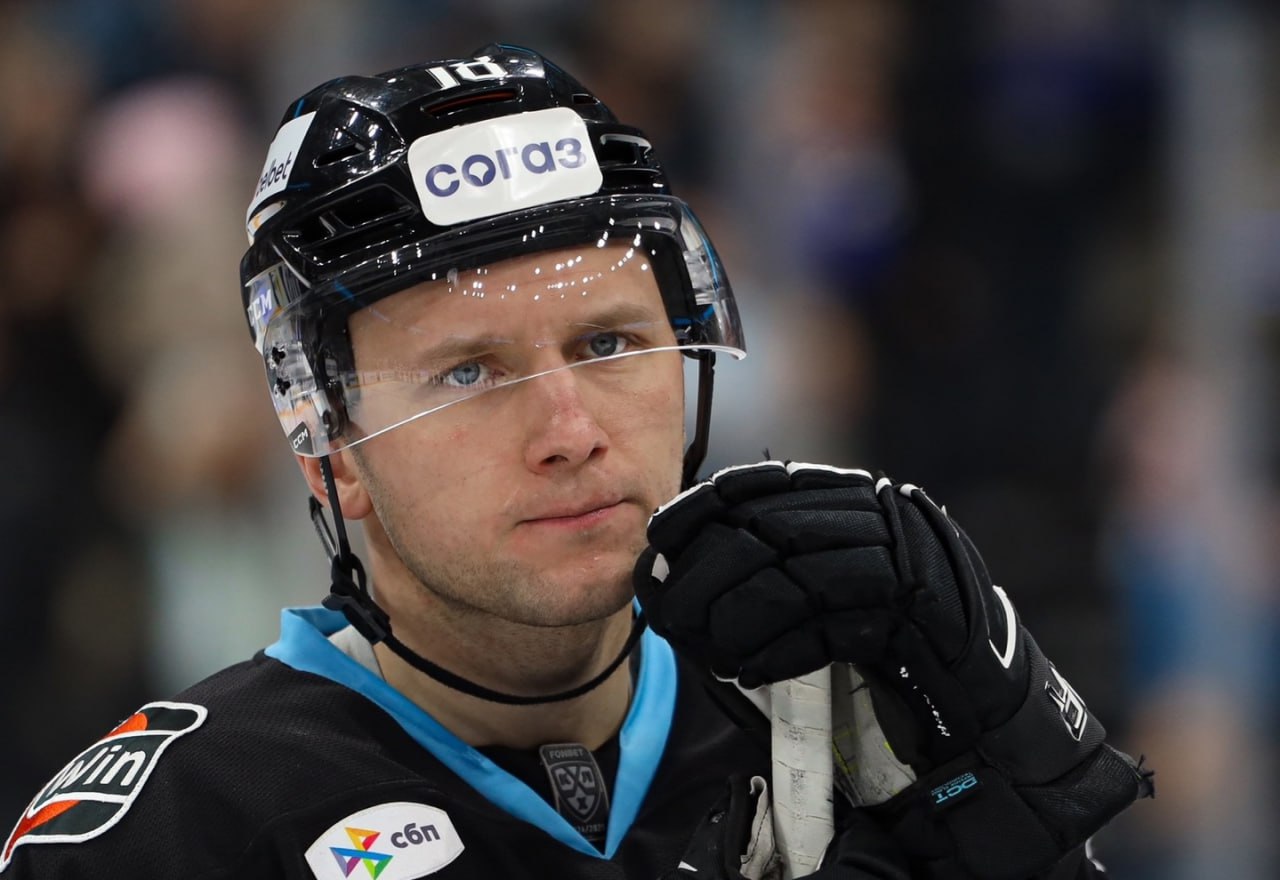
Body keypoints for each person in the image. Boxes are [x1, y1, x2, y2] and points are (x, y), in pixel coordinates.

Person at [1, 45, 1151, 879]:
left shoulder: (866, 721)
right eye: (469, 372)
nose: (570, 428)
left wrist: (1029, 809)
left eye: (607, 344)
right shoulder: (171, 833)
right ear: (330, 449)